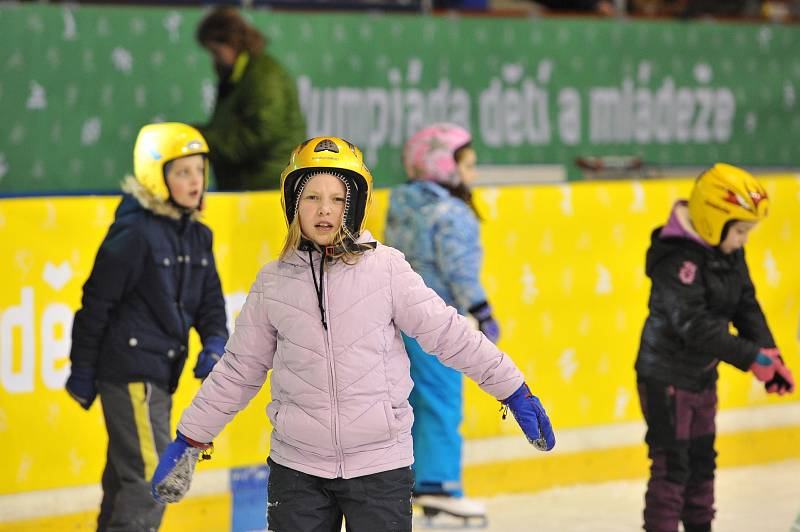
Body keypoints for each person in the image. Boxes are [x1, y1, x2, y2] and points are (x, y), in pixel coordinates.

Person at [150, 136, 556, 532]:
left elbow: (450, 335)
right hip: (298, 471)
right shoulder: (273, 283)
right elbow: (239, 371)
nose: (325, 210)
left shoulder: (387, 270)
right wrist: (190, 438)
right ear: (293, 204)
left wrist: (514, 390)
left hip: (381, 467)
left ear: (355, 205)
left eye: (338, 199)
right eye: (311, 197)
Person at [65, 122, 229, 531]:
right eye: (182, 172)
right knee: (154, 479)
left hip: (159, 376)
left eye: (199, 170)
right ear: (156, 177)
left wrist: (214, 344)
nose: (195, 181)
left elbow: (210, 305)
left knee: (126, 476)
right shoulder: (134, 234)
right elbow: (95, 306)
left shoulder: (197, 237)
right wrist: (82, 371)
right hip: (129, 373)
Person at [634, 163, 795, 532]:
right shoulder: (677, 258)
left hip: (702, 376)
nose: (744, 240)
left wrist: (771, 356)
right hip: (665, 379)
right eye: (740, 231)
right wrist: (750, 357)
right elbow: (694, 326)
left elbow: (746, 304)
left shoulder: (726, 251)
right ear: (711, 220)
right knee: (672, 466)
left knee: (702, 462)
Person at [383, 123, 498, 523]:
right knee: (443, 400)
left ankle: (411, 479)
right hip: (438, 322)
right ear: (443, 165)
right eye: (467, 165)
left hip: (400, 319)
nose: (472, 174)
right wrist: (482, 310)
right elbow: (460, 269)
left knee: (410, 400)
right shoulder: (451, 212)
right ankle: (439, 483)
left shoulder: (401, 202)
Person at [195, 7, 305, 191]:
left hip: (265, 186)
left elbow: (257, 137)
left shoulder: (263, 77)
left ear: (231, 43)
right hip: (252, 182)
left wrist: (202, 138)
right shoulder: (240, 76)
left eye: (215, 52)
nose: (214, 61)